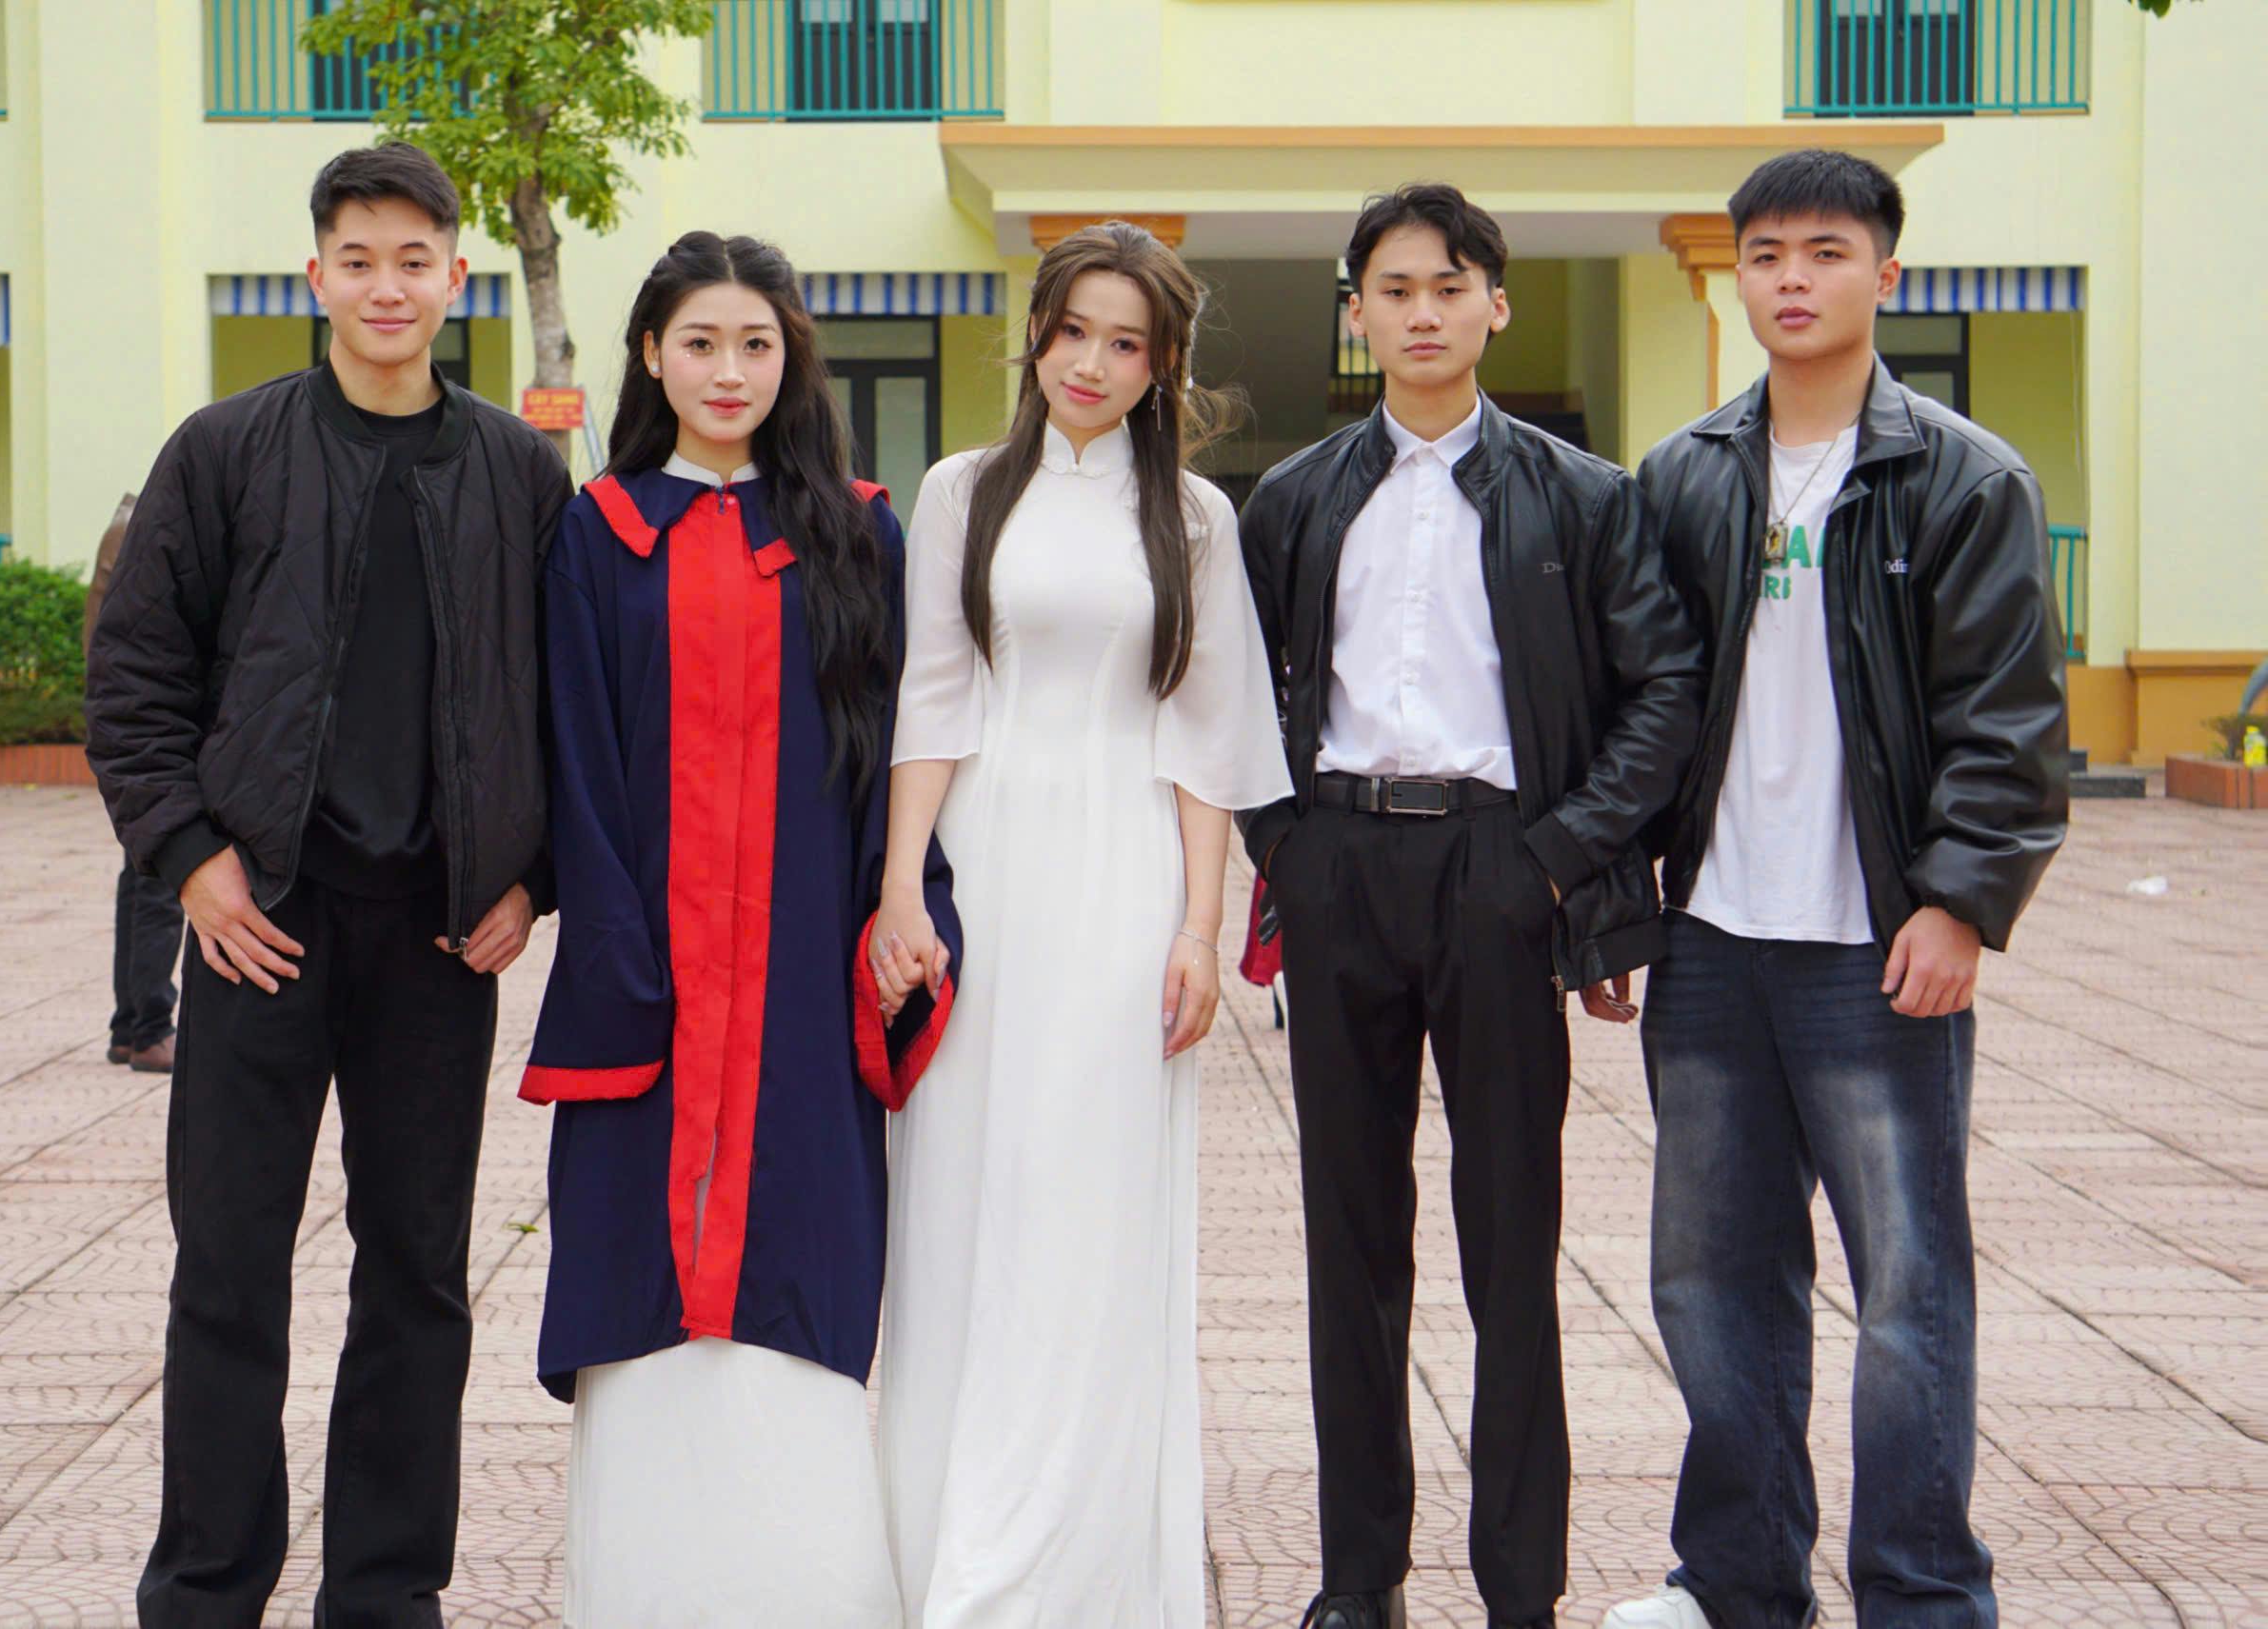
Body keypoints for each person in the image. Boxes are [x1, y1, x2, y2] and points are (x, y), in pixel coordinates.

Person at [84, 142, 569, 1625]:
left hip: (438, 934)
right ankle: (206, 1588)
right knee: (229, 1268)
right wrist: (192, 862)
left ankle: (382, 1591)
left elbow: (570, 700)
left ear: (455, 278)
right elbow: (136, 677)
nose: (386, 285)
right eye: (357, 258)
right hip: (260, 926)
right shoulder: (224, 451)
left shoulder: (517, 471)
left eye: (413, 259)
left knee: (417, 1273)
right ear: (316, 275)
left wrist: (531, 877)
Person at [1601, 149, 2067, 1629]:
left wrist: (1960, 899)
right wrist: (1620, 903)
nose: (1790, 279)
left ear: (1885, 272)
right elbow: (1636, 710)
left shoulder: (1966, 478)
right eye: (1764, 256)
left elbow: (2010, 718)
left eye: (1823, 251)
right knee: (1710, 1287)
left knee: (1907, 1295)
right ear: (1734, 276)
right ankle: (1736, 1578)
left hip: (1879, 946)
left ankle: (1923, 1591)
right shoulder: (1683, 476)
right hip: (1714, 942)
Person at [1235, 184, 1705, 1629]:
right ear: (1358, 309)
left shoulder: (1584, 493)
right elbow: (1234, 700)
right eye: (1394, 287)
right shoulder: (1296, 499)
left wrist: (1560, 857)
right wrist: (1288, 848)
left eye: (1450, 284)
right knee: (1351, 1241)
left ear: (1494, 302)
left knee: (1513, 1242)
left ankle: (1521, 1583)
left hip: (1505, 873)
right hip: (1340, 872)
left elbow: (1664, 687)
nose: (1423, 311)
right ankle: (1358, 1575)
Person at [520, 230, 960, 1629]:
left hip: (799, 979)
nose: (728, 370)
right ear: (649, 352)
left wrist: (902, 905)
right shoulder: (596, 534)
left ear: (792, 361)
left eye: (756, 345)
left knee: (802, 1247)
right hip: (645, 977)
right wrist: (614, 953)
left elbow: (902, 747)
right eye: (699, 342)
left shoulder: (857, 530)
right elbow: (575, 759)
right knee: (643, 1261)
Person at [871, 221, 1289, 1625]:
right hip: (984, 873)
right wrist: (897, 891)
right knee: (956, 1188)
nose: (1093, 363)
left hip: (1122, 882)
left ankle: (1083, 1567)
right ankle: (941, 1539)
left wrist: (1196, 925)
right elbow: (930, 698)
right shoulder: (960, 492)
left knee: (1091, 1197)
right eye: (1073, 332)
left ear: (1164, 363)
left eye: (1128, 341)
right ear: (1034, 336)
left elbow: (1206, 735)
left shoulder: (1194, 521)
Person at [85, 490, 182, 1075]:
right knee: (163, 883)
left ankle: (128, 1027)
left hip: (133, 736)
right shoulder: (151, 526)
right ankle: (151, 1027)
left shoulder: (128, 521)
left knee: (139, 878)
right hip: (155, 741)